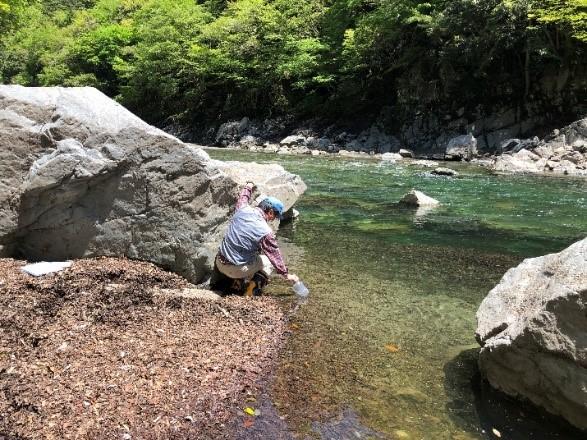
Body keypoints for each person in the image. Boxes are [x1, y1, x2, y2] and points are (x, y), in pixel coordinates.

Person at [214, 182, 299, 296]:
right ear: (270, 212)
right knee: (267, 261)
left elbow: (243, 197)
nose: (273, 219)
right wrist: (286, 275)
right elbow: (275, 256)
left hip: (220, 262)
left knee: (252, 253)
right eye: (274, 216)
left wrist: (248, 186)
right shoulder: (265, 231)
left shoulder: (242, 209)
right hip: (235, 270)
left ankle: (237, 283)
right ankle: (251, 290)